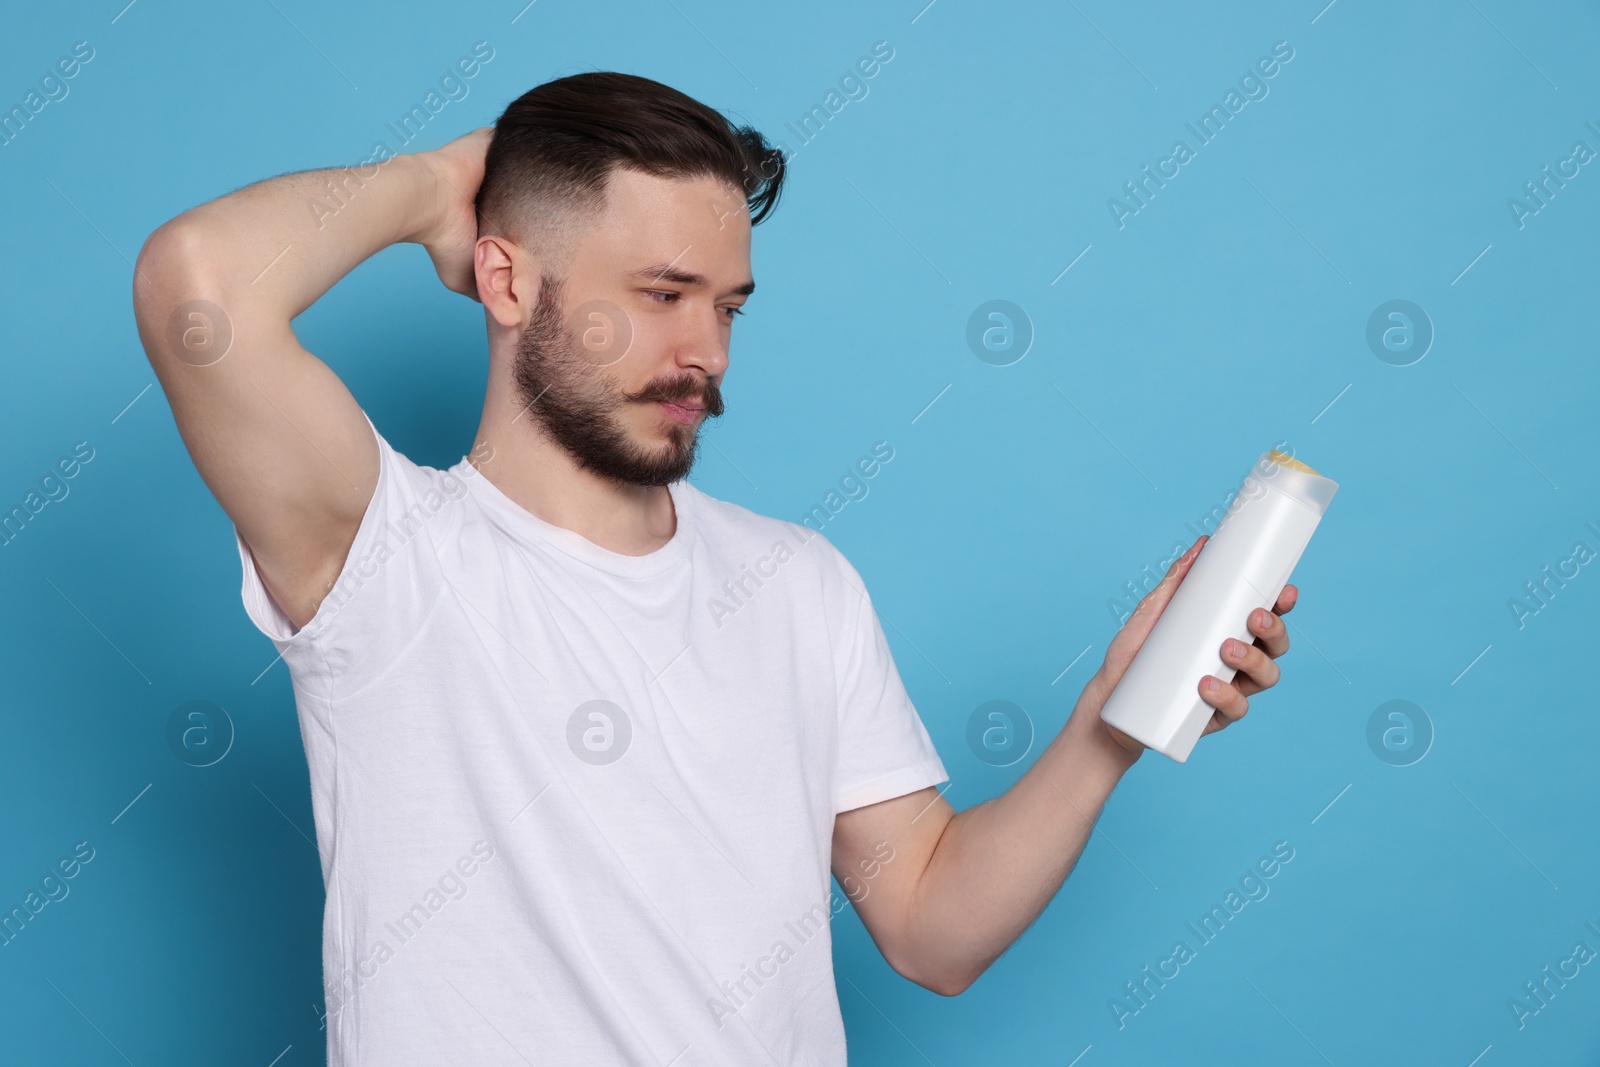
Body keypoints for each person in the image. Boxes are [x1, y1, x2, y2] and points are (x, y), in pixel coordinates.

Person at [131, 71, 1297, 1066]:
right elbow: (198, 285)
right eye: (659, 295)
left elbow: (932, 929)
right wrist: (435, 184)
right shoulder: (384, 557)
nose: (704, 352)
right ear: (504, 281)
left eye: (726, 304)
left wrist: (1110, 719)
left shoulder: (797, 582)